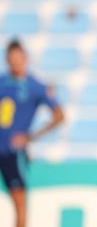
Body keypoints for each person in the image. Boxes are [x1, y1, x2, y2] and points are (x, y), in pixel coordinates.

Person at [0, 39, 65, 227]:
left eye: (18, 58)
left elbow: (59, 116)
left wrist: (31, 137)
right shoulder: (2, 82)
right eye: (11, 59)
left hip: (13, 152)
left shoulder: (35, 86)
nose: (15, 62)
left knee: (19, 204)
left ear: (25, 58)